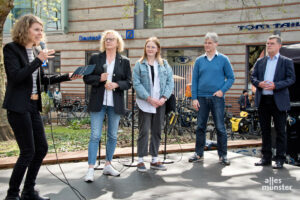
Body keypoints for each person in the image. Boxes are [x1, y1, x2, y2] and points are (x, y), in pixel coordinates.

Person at [2, 14, 80, 200]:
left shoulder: (37, 51)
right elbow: (16, 77)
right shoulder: (11, 49)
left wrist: (68, 76)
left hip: (33, 106)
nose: (40, 33)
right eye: (36, 29)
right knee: (28, 151)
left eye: (41, 30)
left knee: (42, 148)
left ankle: (29, 191)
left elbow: (43, 80)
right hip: (18, 106)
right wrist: (38, 59)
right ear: (25, 29)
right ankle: (12, 195)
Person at [83, 30, 132, 182]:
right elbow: (86, 78)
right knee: (95, 135)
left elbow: (129, 82)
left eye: (111, 39)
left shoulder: (124, 61)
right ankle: (91, 169)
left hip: (115, 103)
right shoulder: (95, 58)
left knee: (112, 135)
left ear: (118, 43)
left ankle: (108, 165)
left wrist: (117, 84)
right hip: (98, 102)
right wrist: (99, 78)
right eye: (106, 39)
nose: (108, 42)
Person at [190, 32, 235, 165]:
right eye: (205, 42)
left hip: (217, 98)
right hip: (201, 98)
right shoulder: (199, 61)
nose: (207, 45)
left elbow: (231, 77)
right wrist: (194, 98)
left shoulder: (223, 59)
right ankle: (198, 154)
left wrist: (222, 91)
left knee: (220, 127)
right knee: (200, 127)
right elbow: (195, 80)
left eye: (209, 42)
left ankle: (223, 155)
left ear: (216, 44)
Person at [251, 35, 295, 169]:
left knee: (280, 130)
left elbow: (291, 79)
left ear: (279, 46)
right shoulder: (260, 61)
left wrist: (276, 85)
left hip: (278, 100)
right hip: (263, 100)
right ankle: (266, 157)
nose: (268, 45)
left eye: (272, 43)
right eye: (267, 43)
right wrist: (259, 83)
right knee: (265, 131)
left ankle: (280, 159)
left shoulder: (286, 61)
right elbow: (252, 77)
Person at [133, 37, 174, 172]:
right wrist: (149, 98)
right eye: (148, 46)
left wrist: (163, 98)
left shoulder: (164, 64)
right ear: (145, 48)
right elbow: (136, 83)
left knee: (157, 130)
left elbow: (170, 82)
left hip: (160, 103)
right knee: (144, 131)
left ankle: (155, 159)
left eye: (153, 47)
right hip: (145, 102)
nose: (150, 49)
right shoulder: (139, 64)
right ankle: (140, 160)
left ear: (158, 49)